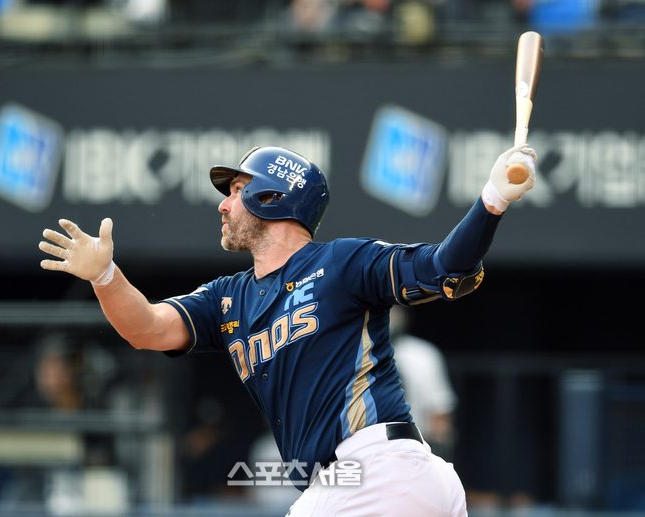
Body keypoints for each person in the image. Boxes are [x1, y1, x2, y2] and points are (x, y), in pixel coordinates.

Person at [38, 144, 536, 517]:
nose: (223, 205)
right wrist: (105, 277)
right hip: (368, 483)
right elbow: (147, 329)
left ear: (273, 197)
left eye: (237, 190)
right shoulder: (227, 297)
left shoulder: (341, 262)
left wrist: (492, 199)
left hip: (374, 470)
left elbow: (444, 267)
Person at [389, 305, 457, 461]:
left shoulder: (422, 354)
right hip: (364, 447)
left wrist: (438, 453)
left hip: (414, 447)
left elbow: (440, 411)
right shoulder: (353, 354)